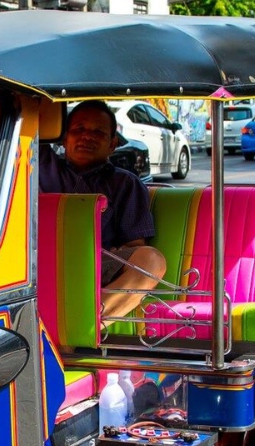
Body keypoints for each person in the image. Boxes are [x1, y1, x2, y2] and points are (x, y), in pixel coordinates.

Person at [39, 100, 167, 323]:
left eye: (98, 132)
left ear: (113, 143)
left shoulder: (125, 183)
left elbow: (135, 246)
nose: (86, 136)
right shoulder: (39, 164)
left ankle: (87, 322)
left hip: (97, 267)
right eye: (78, 129)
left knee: (152, 260)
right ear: (63, 137)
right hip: (37, 263)